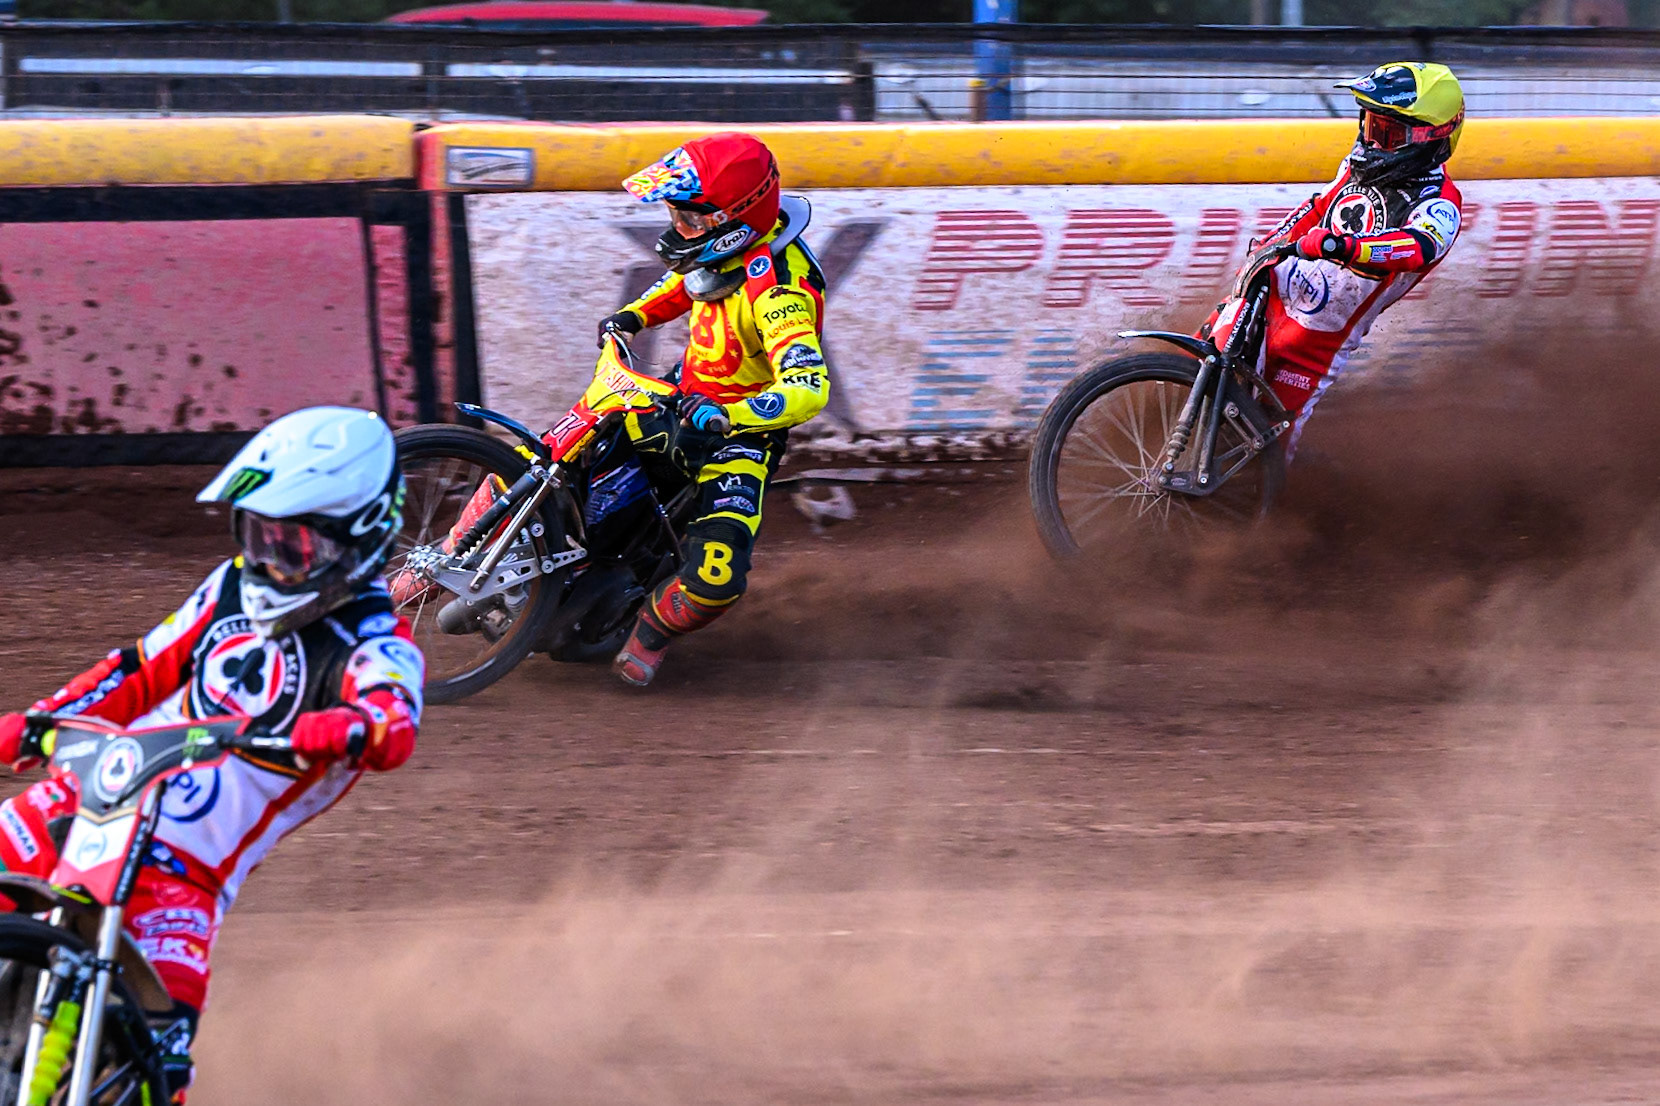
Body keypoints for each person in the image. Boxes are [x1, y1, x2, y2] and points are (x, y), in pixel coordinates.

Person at [0, 406, 423, 1101]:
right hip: (91, 795)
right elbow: (139, 670)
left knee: (160, 1067)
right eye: (257, 536)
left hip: (185, 875)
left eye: (292, 545)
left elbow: (392, 720)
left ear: (361, 539)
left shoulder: (377, 644)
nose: (266, 559)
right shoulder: (228, 587)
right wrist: (40, 719)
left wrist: (340, 729)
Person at [599, 131, 831, 687]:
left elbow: (809, 386)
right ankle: (457, 546)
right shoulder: (721, 251)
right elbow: (685, 282)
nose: (680, 230)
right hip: (680, 399)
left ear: (738, 218)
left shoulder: (780, 293)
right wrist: (630, 318)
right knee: (560, 449)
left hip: (740, 434)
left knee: (715, 580)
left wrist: (736, 417)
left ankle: (650, 629)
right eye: (676, 216)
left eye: (692, 221)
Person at [1214, 61, 1464, 454]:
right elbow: (1315, 209)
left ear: (1431, 137)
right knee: (1194, 366)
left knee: (1265, 448)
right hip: (1272, 293)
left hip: (1317, 342)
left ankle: (1263, 509)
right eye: (1370, 126)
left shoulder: (1440, 206)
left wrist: (1343, 247)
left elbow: (1417, 248)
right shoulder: (1354, 167)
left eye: (1388, 133)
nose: (1374, 142)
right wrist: (1271, 246)